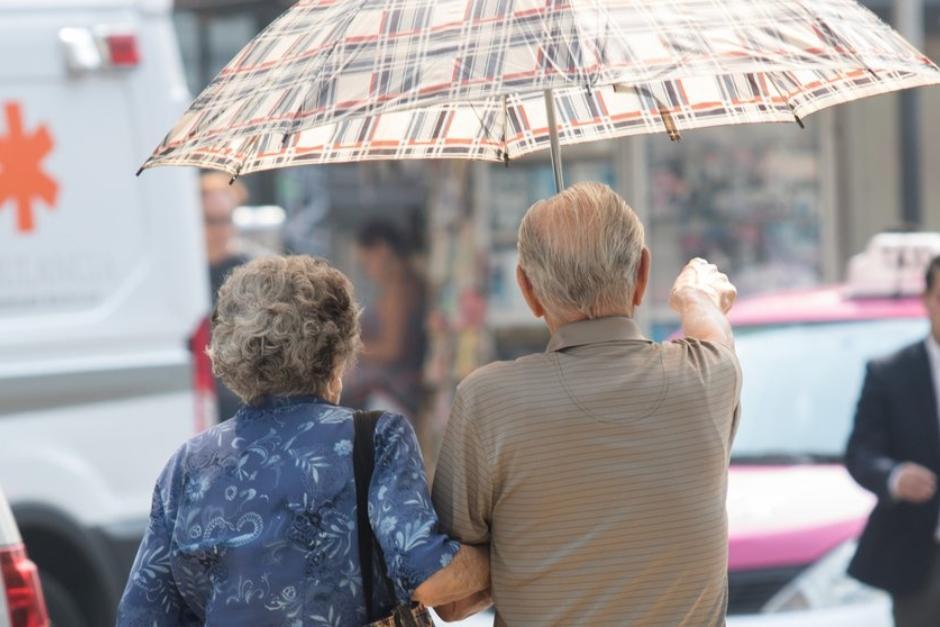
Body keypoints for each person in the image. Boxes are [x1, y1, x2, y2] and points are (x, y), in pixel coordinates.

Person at [116, 256, 489, 626]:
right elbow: (429, 574)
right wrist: (503, 555)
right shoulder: (376, 438)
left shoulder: (188, 465)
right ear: (336, 352)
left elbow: (141, 615)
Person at [432, 182, 741, 625]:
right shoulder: (707, 378)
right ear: (642, 274)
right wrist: (695, 295)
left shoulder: (489, 400)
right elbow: (714, 332)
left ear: (527, 289)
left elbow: (451, 597)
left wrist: (532, 558)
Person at [845, 255, 940, 626]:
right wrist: (895, 476)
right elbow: (861, 452)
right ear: (928, 300)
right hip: (920, 557)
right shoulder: (890, 372)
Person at [344, 220, 429, 418]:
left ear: (381, 251)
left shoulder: (398, 290)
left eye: (366, 261)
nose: (366, 269)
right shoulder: (406, 283)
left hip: (392, 394)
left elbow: (392, 349)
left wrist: (350, 346)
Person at [201, 172, 250, 421]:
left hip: (238, 399)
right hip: (196, 393)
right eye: (211, 220)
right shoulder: (183, 272)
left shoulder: (250, 271)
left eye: (226, 219)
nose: (221, 230)